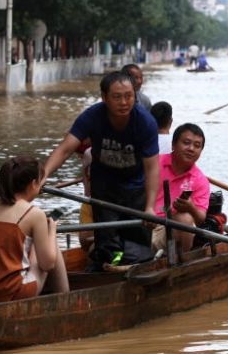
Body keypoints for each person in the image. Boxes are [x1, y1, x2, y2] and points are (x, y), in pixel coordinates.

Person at [43, 70, 160, 269]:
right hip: (104, 187)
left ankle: (134, 268)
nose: (124, 102)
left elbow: (152, 168)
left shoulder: (145, 123)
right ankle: (107, 266)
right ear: (104, 97)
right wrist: (43, 175)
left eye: (128, 96)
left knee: (138, 244)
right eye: (117, 97)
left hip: (135, 188)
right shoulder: (92, 116)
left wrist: (150, 207)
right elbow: (65, 149)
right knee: (107, 243)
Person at [0, 156, 69, 311]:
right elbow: (48, 264)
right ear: (34, 184)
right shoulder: (34, 214)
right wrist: (52, 229)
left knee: (30, 242)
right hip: (12, 296)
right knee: (49, 240)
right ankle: (65, 300)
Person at [152, 123, 210, 253]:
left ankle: (181, 262)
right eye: (186, 143)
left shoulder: (200, 180)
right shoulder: (154, 163)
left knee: (185, 218)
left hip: (169, 229)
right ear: (173, 145)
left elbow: (200, 219)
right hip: (142, 221)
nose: (191, 149)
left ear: (201, 151)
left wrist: (190, 208)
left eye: (197, 146)